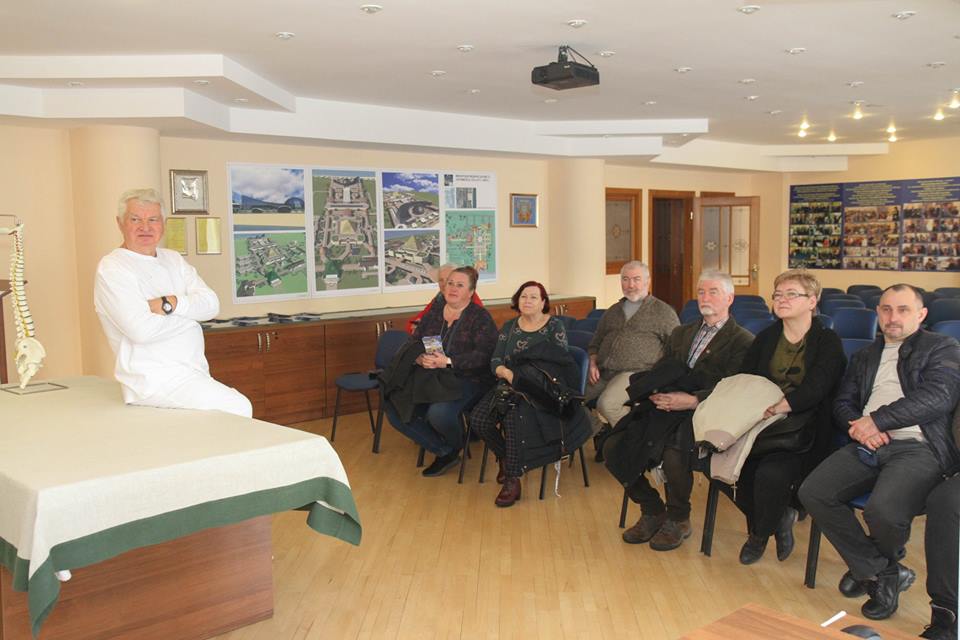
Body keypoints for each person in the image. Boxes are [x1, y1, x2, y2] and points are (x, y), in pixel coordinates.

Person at [799, 284, 960, 621]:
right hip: (868, 443)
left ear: (922, 314)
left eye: (903, 309)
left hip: (919, 446)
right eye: (886, 309)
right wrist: (861, 427)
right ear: (877, 313)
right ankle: (882, 571)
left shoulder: (942, 347)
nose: (893, 317)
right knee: (813, 492)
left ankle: (868, 568)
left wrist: (877, 420)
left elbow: (938, 397)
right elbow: (843, 403)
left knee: (883, 512)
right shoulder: (865, 355)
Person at [606, 270, 753, 551]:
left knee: (674, 451)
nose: (705, 298)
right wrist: (656, 392)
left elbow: (734, 387)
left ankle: (678, 518)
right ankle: (652, 509)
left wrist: (693, 400)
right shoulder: (681, 333)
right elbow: (661, 369)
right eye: (701, 292)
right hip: (664, 405)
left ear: (729, 298)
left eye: (713, 292)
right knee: (613, 446)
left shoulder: (742, 341)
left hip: (705, 409)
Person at [722, 269, 845, 564]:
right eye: (778, 294)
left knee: (770, 474)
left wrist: (781, 406)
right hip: (760, 423)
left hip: (804, 429)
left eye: (791, 294)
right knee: (718, 467)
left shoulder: (827, 340)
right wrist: (754, 409)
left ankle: (758, 535)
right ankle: (778, 519)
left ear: (812, 301)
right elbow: (746, 379)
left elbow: (818, 387)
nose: (782, 299)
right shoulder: (766, 338)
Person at [94, 188, 252, 417]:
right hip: (154, 380)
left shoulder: (173, 259)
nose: (145, 227)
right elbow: (141, 330)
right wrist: (191, 320)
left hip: (192, 373)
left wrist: (171, 304)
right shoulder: (113, 268)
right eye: (135, 219)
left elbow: (211, 304)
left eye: (153, 219)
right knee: (238, 406)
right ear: (120, 223)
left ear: (163, 224)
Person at [470, 281, 589, 507]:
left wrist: (524, 377)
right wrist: (506, 372)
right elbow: (495, 359)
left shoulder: (554, 326)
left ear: (543, 302)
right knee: (479, 419)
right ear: (518, 301)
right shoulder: (509, 327)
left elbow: (559, 362)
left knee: (513, 416)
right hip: (509, 383)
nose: (527, 301)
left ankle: (512, 479)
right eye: (524, 296)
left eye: (534, 297)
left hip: (541, 389)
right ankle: (506, 457)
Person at [385, 266, 498, 476]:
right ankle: (445, 450)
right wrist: (419, 358)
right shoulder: (435, 313)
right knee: (395, 407)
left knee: (438, 414)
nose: (452, 288)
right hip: (433, 377)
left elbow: (484, 356)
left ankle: (454, 445)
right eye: (450, 283)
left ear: (471, 292)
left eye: (460, 285)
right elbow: (414, 342)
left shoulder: (480, 317)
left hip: (470, 379)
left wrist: (448, 361)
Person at [587, 261, 678, 433]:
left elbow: (676, 348)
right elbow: (595, 342)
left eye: (636, 279)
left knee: (607, 404)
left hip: (636, 374)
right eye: (625, 279)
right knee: (569, 399)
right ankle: (600, 430)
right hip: (602, 372)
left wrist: (659, 377)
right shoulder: (613, 311)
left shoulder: (663, 312)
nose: (630, 285)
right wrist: (592, 362)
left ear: (647, 282)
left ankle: (636, 439)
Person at [406, 263, 482, 334]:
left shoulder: (471, 300)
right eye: (441, 280)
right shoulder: (439, 298)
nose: (444, 284)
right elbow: (416, 320)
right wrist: (415, 326)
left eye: (448, 280)